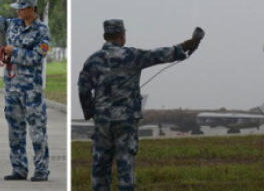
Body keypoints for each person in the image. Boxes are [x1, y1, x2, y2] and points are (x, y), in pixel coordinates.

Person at [78, 19, 202, 191]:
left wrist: (91, 112)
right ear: (122, 36)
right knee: (125, 167)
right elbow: (160, 54)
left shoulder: (92, 60)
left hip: (102, 123)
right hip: (126, 122)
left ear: (105, 36)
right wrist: (187, 46)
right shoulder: (133, 56)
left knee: (100, 168)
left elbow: (83, 89)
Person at [0, 0, 50, 182]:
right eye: (17, 7)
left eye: (22, 8)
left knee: (37, 132)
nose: (18, 11)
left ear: (32, 8)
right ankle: (19, 169)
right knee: (15, 131)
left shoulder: (41, 30)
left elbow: (38, 56)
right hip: (12, 88)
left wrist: (14, 52)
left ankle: (42, 170)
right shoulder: (13, 24)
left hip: (31, 91)